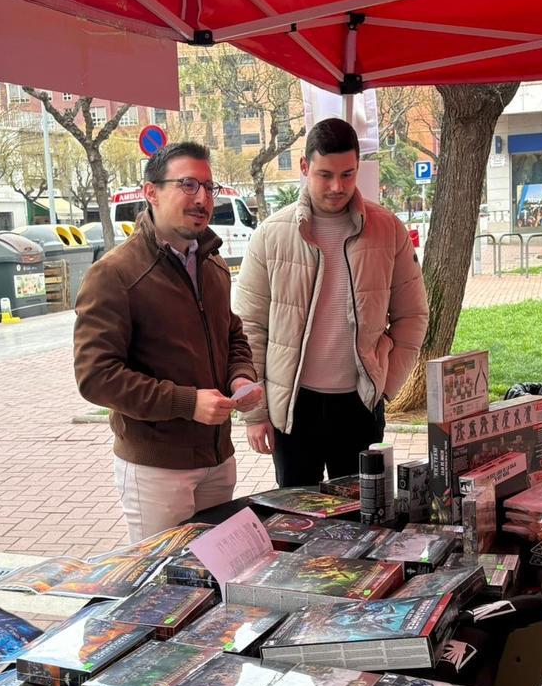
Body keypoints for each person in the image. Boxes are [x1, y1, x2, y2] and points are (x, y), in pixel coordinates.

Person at [72, 141, 259, 542]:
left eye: (209, 187)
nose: (202, 198)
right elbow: (96, 377)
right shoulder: (115, 274)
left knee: (216, 579)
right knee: (160, 589)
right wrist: (187, 403)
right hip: (156, 470)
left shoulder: (212, 263)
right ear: (151, 191)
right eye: (188, 184)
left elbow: (232, 335)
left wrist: (240, 378)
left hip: (217, 458)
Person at [234, 118, 428, 486]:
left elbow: (413, 315)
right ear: (305, 167)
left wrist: (385, 387)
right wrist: (256, 413)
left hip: (359, 404)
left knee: (363, 520)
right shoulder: (271, 235)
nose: (337, 186)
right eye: (325, 174)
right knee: (296, 523)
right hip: (292, 407)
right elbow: (249, 330)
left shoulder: (388, 230)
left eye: (347, 174)